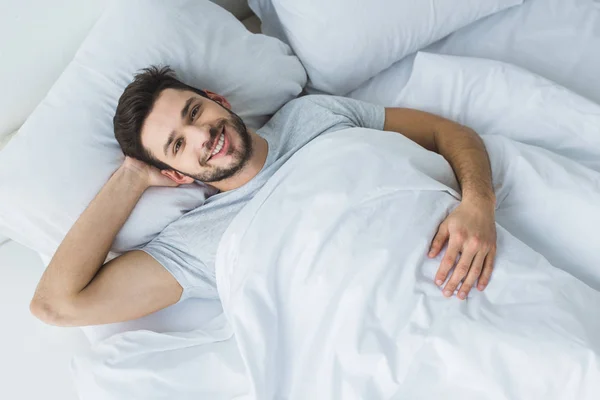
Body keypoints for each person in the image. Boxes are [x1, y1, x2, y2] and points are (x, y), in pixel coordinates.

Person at [30, 66, 497, 327]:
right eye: (178, 144)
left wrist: (478, 204)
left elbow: (444, 132)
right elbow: (55, 304)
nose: (201, 135)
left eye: (194, 112)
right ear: (174, 172)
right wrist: (130, 178)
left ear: (217, 98)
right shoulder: (194, 243)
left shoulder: (313, 113)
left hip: (474, 262)